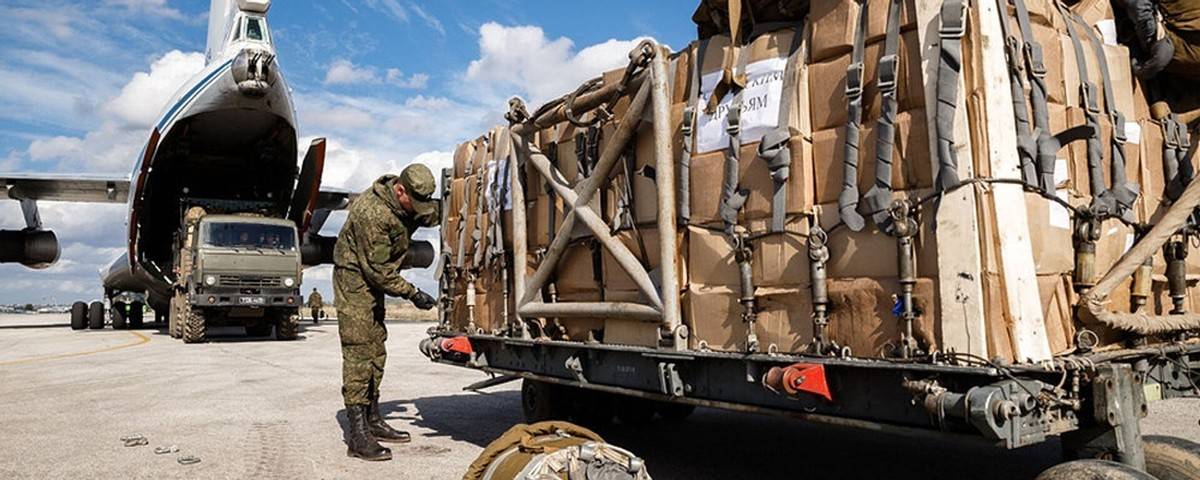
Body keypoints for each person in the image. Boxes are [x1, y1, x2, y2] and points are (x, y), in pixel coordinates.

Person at [333, 164, 439, 462]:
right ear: (400, 190)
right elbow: (378, 272)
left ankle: (373, 418)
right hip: (355, 278)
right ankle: (357, 435)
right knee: (359, 349)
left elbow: (430, 213)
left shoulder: (407, 199)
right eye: (413, 203)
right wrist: (413, 293)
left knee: (377, 347)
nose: (416, 209)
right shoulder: (372, 213)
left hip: (375, 277)